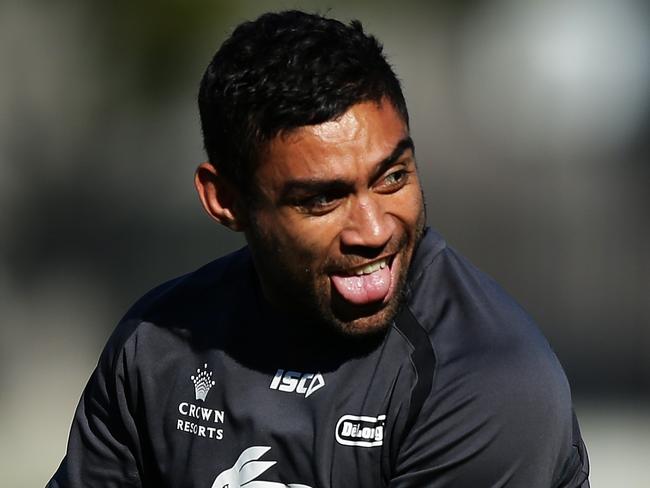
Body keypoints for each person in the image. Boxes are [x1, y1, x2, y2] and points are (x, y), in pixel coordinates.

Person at [48, 10, 590, 488]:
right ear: (226, 200)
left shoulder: (487, 383)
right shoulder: (155, 348)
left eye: (392, 177)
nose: (374, 229)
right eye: (322, 200)